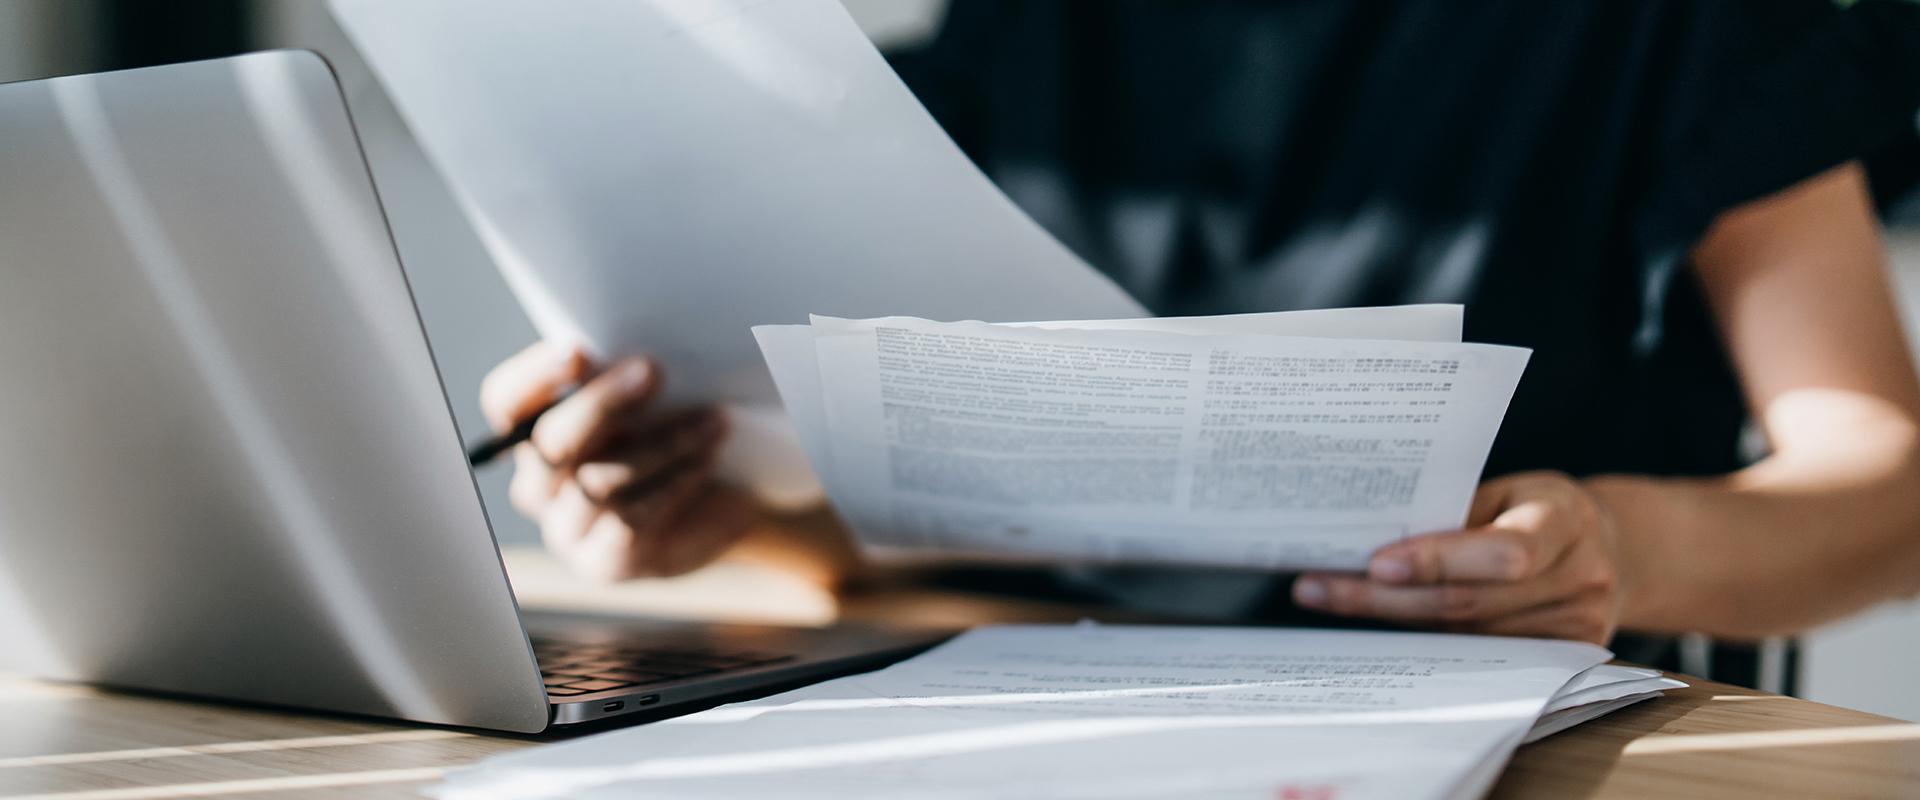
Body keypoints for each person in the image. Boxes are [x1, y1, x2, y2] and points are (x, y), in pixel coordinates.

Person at [478, 1, 1920, 664]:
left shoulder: (1686, 25)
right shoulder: (1016, 33)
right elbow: (996, 525)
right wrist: (713, 514)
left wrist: (1618, 543)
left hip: (1506, 744)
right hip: (1046, 725)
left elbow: (1890, 485)